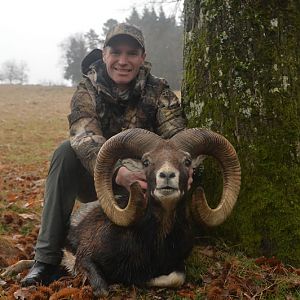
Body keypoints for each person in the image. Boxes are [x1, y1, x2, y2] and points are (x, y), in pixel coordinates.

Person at [21, 23, 188, 286]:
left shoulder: (159, 93)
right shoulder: (86, 90)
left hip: (149, 180)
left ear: (142, 58)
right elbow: (84, 138)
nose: (123, 60)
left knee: (175, 177)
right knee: (65, 153)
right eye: (116, 52)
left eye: (132, 53)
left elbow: (178, 139)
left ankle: (168, 253)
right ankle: (46, 258)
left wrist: (185, 170)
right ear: (104, 54)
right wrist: (119, 172)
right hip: (100, 176)